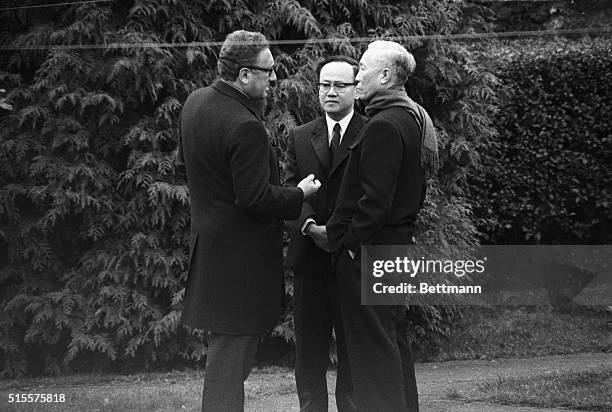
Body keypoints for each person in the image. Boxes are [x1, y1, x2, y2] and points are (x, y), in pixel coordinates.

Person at [178, 30, 321, 412]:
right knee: (229, 364)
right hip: (239, 264)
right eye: (268, 70)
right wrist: (300, 194)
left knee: (226, 360)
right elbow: (254, 197)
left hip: (212, 252)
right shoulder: (245, 124)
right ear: (244, 75)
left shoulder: (195, 103)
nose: (273, 78)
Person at [327, 40, 439, 412]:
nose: (356, 76)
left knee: (373, 354)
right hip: (394, 248)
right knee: (391, 342)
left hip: (371, 254)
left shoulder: (385, 124)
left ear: (386, 76)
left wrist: (350, 247)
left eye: (362, 69)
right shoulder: (413, 117)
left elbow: (374, 202)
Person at [285, 55, 365, 412]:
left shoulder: (372, 133)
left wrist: (339, 233)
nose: (330, 92)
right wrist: (309, 226)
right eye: (324, 85)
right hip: (310, 258)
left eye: (339, 85)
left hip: (352, 256)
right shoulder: (301, 136)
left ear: (356, 89)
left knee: (353, 346)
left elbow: (375, 193)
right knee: (309, 348)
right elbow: (289, 187)